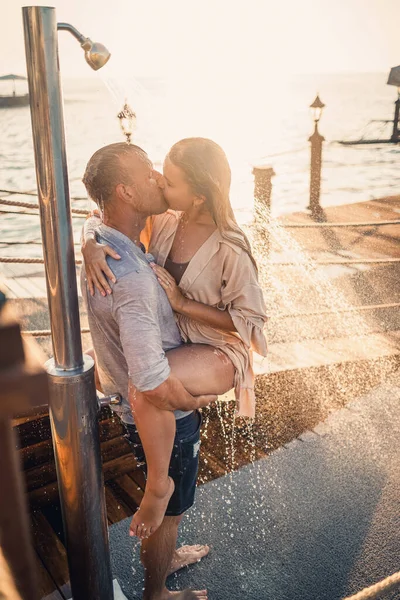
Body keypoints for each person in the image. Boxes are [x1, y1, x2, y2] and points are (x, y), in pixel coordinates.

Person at [82, 138, 268, 542]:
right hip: (179, 346)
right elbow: (101, 214)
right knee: (132, 375)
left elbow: (250, 323)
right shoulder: (166, 220)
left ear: (199, 196)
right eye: (158, 171)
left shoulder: (231, 247)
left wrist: (183, 303)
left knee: (144, 386)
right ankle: (169, 539)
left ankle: (157, 486)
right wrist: (90, 244)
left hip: (218, 350)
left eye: (172, 179)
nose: (160, 180)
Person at [81, 143, 214, 600]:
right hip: (164, 418)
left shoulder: (106, 239)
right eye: (148, 173)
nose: (158, 177)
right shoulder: (133, 277)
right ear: (126, 192)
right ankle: (156, 591)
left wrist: (87, 239)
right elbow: (153, 381)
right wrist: (197, 400)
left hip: (130, 409)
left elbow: (90, 219)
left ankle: (167, 553)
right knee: (169, 512)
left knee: (168, 512)